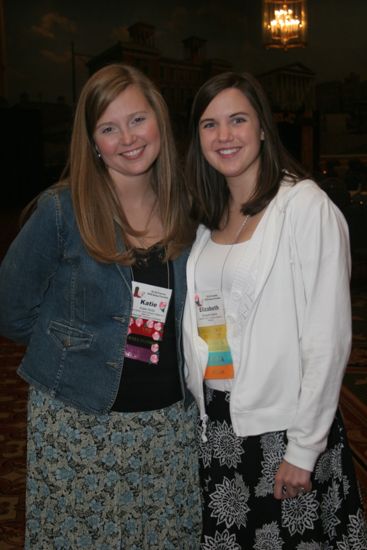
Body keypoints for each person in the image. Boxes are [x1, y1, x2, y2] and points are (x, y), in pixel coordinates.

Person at [0, 63, 202, 548]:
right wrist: (73, 349)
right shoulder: (60, 209)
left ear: (158, 119)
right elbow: (12, 311)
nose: (127, 137)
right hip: (78, 424)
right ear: (92, 142)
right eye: (108, 128)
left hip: (170, 426)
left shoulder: (191, 207)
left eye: (137, 119)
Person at [183, 71, 367, 548]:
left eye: (237, 119)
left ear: (263, 127)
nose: (224, 136)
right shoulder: (208, 218)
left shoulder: (304, 207)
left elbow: (328, 338)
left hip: (284, 429)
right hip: (219, 423)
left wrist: (304, 448)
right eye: (209, 124)